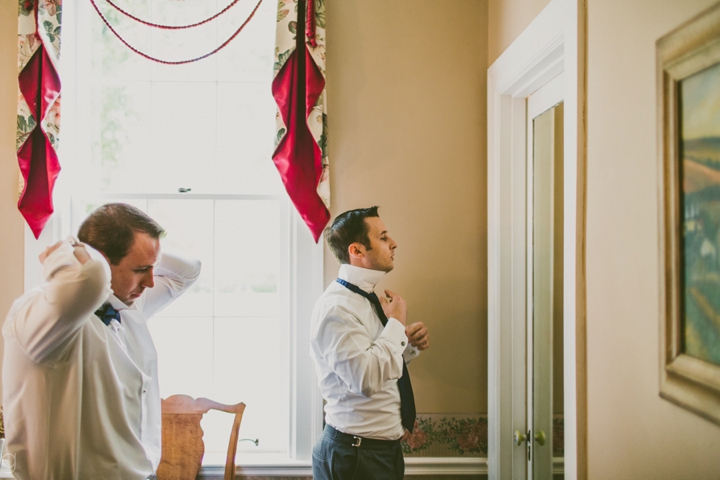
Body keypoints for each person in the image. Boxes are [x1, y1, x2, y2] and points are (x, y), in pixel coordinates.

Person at [2, 203, 201, 480]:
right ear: (104, 264)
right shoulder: (43, 317)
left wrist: (146, 255)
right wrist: (68, 252)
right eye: (140, 269)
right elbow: (90, 279)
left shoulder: (125, 306)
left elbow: (190, 270)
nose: (151, 283)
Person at [310, 206, 430, 480]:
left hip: (378, 453)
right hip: (355, 458)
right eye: (384, 237)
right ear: (357, 251)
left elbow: (375, 363)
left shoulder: (366, 298)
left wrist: (405, 343)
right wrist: (396, 324)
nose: (394, 243)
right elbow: (365, 379)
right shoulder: (337, 307)